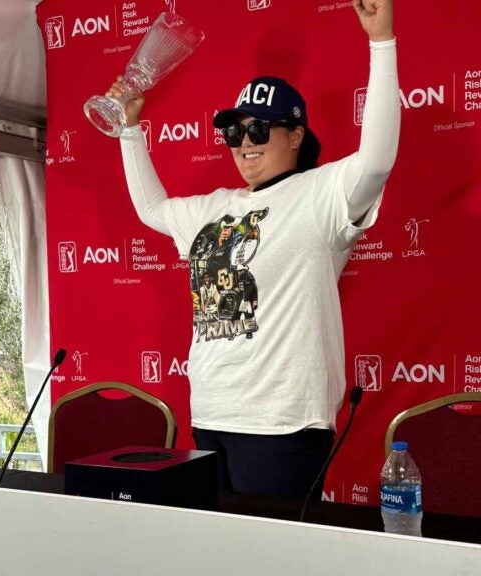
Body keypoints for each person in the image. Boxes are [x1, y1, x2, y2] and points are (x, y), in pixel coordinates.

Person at [107, 0, 398, 498]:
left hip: (283, 421)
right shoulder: (213, 206)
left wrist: (381, 42)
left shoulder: (319, 194)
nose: (245, 142)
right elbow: (152, 211)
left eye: (259, 129)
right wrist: (129, 128)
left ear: (296, 135)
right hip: (213, 411)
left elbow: (375, 162)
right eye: (234, 131)